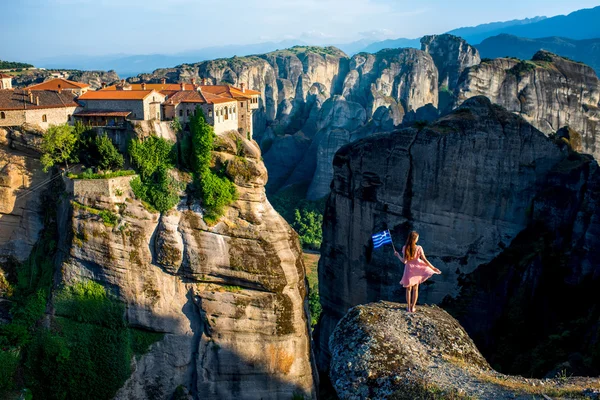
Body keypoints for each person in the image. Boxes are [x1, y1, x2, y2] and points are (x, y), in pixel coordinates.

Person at [394, 231, 441, 312]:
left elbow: (404, 261)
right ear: (415, 239)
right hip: (417, 269)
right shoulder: (419, 247)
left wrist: (398, 255)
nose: (417, 239)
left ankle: (408, 307)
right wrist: (433, 268)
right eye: (417, 238)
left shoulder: (405, 247)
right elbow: (425, 260)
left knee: (408, 289)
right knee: (415, 288)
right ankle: (413, 307)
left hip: (408, 269)